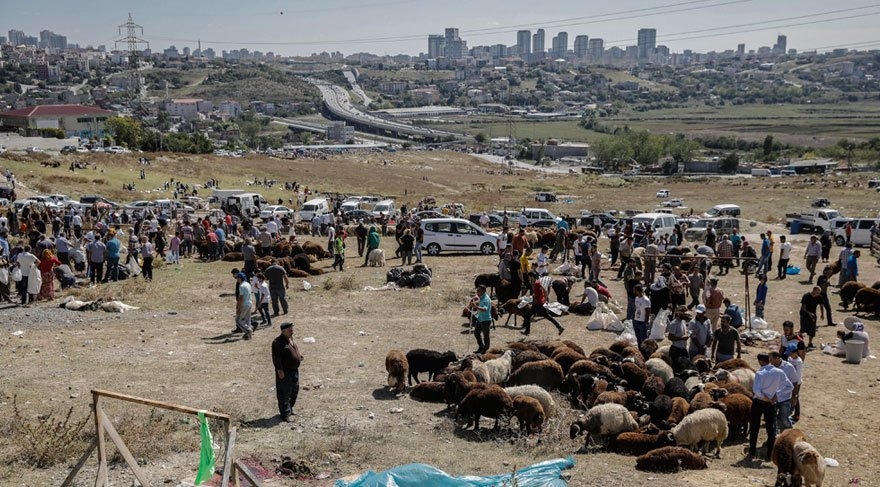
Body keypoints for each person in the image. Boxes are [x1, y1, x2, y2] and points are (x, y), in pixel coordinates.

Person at [748, 352, 791, 461]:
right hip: (771, 403)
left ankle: (752, 452)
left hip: (759, 402)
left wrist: (764, 397)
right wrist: (777, 395)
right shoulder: (779, 372)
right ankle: (769, 455)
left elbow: (756, 390)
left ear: (761, 361)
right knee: (770, 429)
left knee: (755, 427)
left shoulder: (760, 373)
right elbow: (788, 386)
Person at [272, 322, 303, 422]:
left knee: (294, 390)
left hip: (294, 370)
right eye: (290, 330)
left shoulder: (290, 339)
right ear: (283, 331)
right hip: (285, 371)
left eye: (292, 329)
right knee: (284, 393)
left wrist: (299, 355)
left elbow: (294, 348)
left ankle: (290, 408)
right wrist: (280, 370)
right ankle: (285, 414)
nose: (292, 331)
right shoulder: (277, 342)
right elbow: (276, 358)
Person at [521, 271, 565, 336]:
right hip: (539, 302)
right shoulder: (536, 283)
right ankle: (560, 327)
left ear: (532, 276)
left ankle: (527, 331)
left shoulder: (537, 283)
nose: (529, 278)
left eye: (529, 277)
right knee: (547, 316)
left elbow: (544, 290)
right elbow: (540, 291)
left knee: (528, 315)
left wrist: (544, 298)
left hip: (538, 302)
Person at [770, 351, 799, 433]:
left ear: (777, 358)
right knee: (773, 419)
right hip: (773, 397)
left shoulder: (789, 367)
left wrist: (795, 396)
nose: (770, 361)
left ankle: (790, 432)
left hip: (785, 397)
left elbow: (795, 381)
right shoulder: (771, 368)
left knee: (784, 418)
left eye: (771, 359)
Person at [666, 306, 691, 373]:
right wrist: (682, 338)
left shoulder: (683, 321)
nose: (686, 315)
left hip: (683, 349)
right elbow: (670, 337)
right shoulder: (674, 323)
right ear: (680, 313)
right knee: (677, 370)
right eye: (684, 313)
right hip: (676, 351)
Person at [472, 285, 493, 353]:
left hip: (486, 320)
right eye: (477, 290)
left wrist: (475, 306)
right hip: (480, 318)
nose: (477, 292)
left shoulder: (486, 299)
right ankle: (481, 347)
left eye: (478, 290)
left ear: (483, 291)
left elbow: (484, 309)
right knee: (476, 333)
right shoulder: (481, 297)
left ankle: (486, 350)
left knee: (486, 336)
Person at [234, 272, 254, 340]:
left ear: (239, 278)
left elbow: (240, 298)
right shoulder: (248, 284)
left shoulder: (241, 286)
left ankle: (248, 331)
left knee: (238, 320)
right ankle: (249, 334)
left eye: (237, 278)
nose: (237, 279)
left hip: (244, 304)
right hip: (249, 303)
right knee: (247, 320)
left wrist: (238, 308)